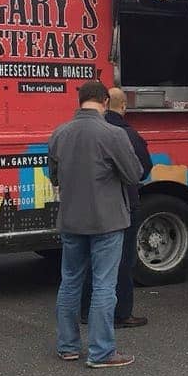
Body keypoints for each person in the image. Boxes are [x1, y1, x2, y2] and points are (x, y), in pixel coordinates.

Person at [48, 80, 144, 368]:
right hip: (107, 220)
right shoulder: (113, 133)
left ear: (79, 101)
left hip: (70, 219)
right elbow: (134, 174)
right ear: (105, 102)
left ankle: (67, 346)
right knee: (104, 285)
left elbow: (54, 176)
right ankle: (101, 352)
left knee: (70, 281)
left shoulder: (59, 133)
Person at [79, 87, 153, 329]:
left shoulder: (78, 130)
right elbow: (142, 169)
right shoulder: (123, 133)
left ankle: (85, 311)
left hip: (86, 205)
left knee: (89, 261)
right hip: (122, 204)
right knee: (122, 261)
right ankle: (121, 313)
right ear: (122, 106)